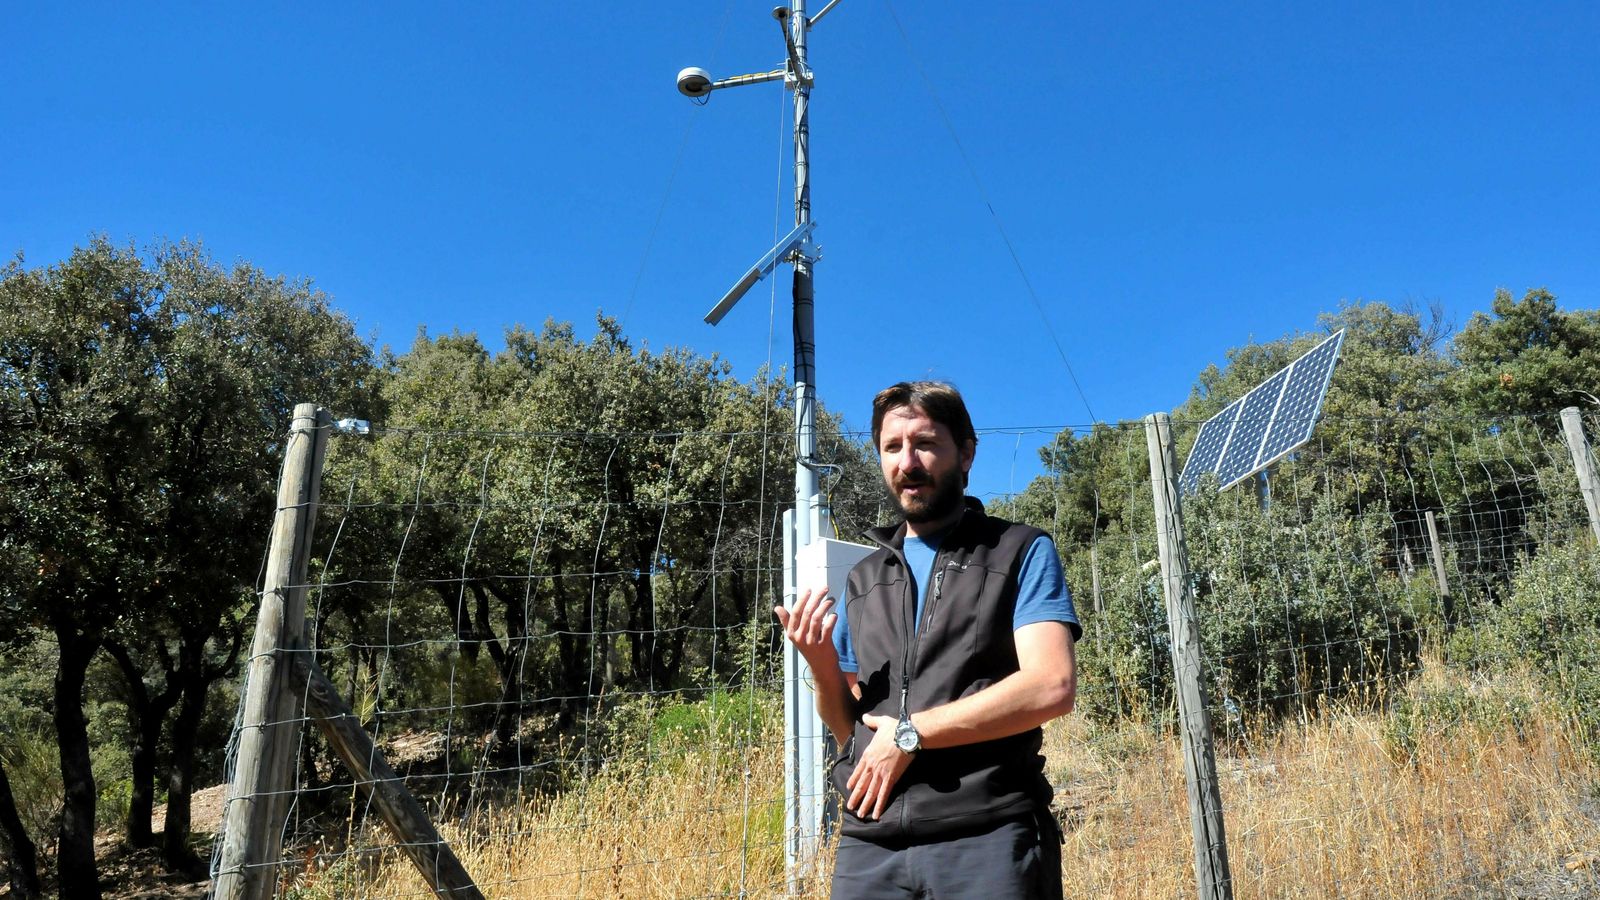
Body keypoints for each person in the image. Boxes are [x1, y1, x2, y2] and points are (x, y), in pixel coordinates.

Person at [776, 380, 1081, 900]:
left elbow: (1051, 686)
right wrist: (822, 663)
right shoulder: (864, 578)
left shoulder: (1018, 551)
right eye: (892, 448)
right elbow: (849, 725)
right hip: (869, 841)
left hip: (985, 832)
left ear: (965, 453)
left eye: (925, 443)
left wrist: (911, 734)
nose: (907, 462)